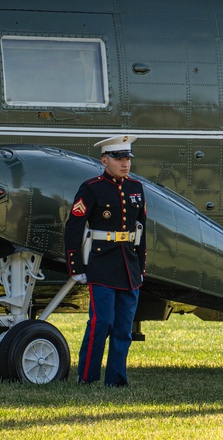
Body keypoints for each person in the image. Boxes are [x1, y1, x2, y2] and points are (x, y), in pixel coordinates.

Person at [64, 135, 147, 387]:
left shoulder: (136, 188)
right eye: (119, 159)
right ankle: (87, 377)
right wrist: (76, 267)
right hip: (101, 265)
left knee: (123, 329)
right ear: (104, 160)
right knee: (102, 322)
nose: (125, 164)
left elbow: (141, 230)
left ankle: (116, 380)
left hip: (128, 267)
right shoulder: (92, 188)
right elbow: (74, 227)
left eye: (127, 159)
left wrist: (140, 267)